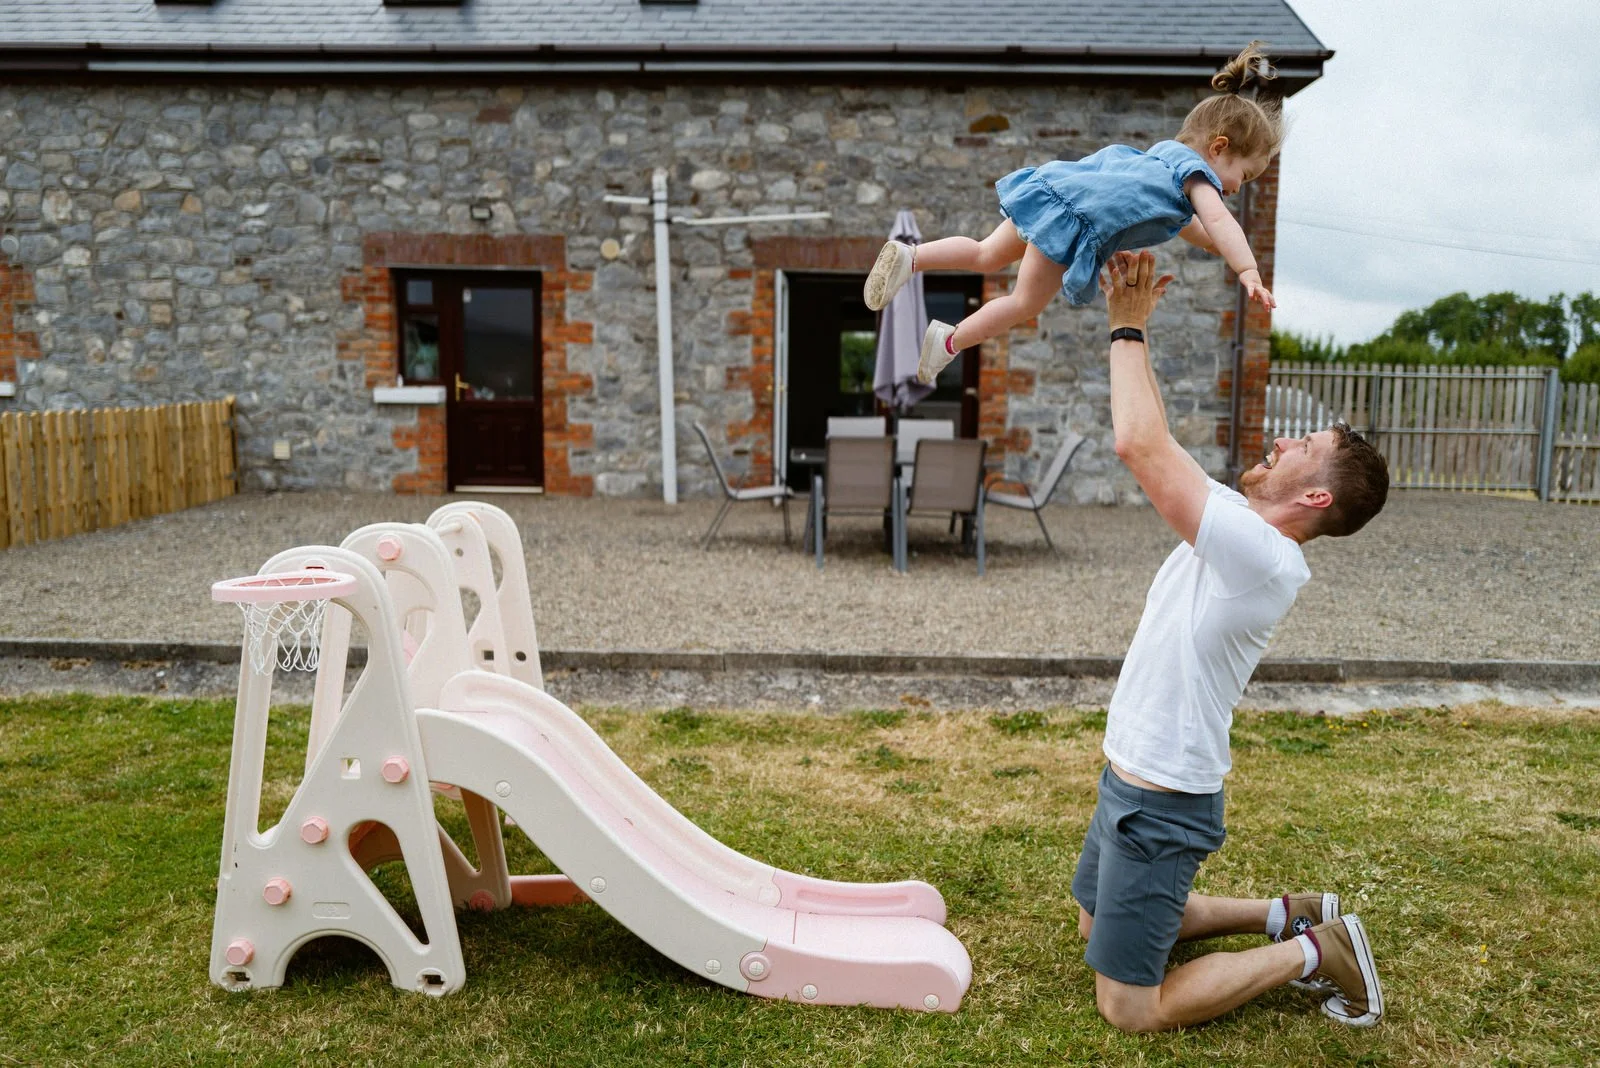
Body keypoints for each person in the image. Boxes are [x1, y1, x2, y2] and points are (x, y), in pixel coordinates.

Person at [1073, 249, 1391, 1033]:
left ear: (1315, 496)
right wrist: (1133, 328)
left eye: (1299, 447)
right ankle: (1286, 911)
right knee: (1092, 928)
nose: (1278, 443)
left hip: (1162, 799)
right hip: (1132, 775)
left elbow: (1139, 447)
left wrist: (1128, 325)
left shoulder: (1265, 557)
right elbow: (1159, 440)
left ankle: (1321, 949)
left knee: (1129, 1007)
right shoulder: (1240, 527)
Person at [863, 41, 1281, 388]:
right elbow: (1220, 221)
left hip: (1057, 192)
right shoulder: (1198, 177)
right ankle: (949, 341)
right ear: (1219, 148)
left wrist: (1216, 246)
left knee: (984, 252)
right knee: (1024, 302)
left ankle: (911, 257)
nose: (1236, 188)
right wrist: (1247, 269)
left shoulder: (1164, 159)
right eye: (1243, 175)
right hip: (1074, 221)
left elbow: (1199, 228)